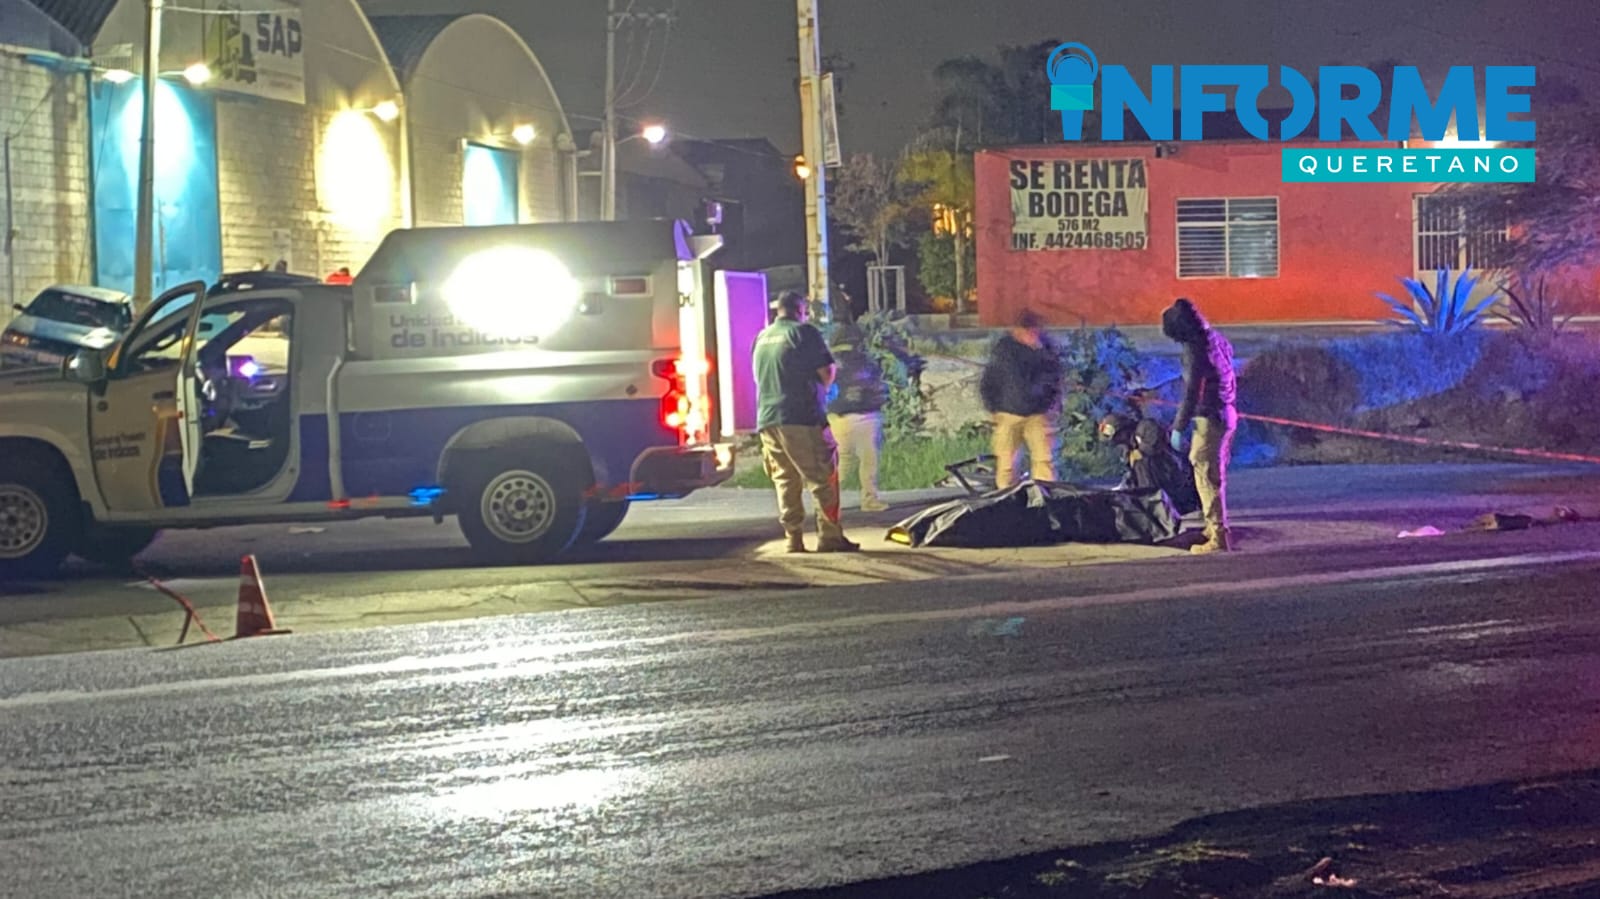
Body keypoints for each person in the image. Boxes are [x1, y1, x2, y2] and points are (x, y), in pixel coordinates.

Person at [752, 290, 860, 553]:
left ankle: (793, 539)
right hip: (801, 418)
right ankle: (830, 537)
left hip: (767, 419)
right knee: (823, 476)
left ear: (779, 310)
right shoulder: (804, 332)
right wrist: (824, 390)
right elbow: (827, 371)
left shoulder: (762, 337)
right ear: (801, 310)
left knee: (785, 479)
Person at [1162, 297, 1238, 553]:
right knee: (1215, 475)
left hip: (1209, 419)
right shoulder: (1216, 339)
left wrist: (1178, 426)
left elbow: (1193, 390)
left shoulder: (1195, 349)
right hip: (1227, 413)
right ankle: (1212, 526)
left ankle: (1218, 536)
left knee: (1206, 476)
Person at [979, 308, 1063, 489]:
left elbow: (1055, 377)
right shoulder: (1005, 351)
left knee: (1044, 461)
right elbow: (990, 380)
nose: (1032, 334)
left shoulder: (1045, 350)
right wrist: (992, 407)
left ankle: (1046, 497)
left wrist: (1053, 404)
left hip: (1038, 414)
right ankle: (1007, 498)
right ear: (1018, 330)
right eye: (1028, 330)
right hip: (1009, 413)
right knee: (1007, 463)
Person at [825, 323, 891, 512]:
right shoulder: (867, 361)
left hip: (838, 417)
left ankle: (826, 502)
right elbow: (878, 386)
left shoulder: (830, 361)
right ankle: (869, 499)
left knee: (841, 463)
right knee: (869, 462)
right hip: (867, 415)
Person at [1098, 411, 1201, 516]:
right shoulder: (1128, 450)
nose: (1118, 442)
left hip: (1174, 480)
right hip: (1157, 492)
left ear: (1123, 430)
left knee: (1142, 462)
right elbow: (1132, 474)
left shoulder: (1146, 426)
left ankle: (1153, 500)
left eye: (1117, 437)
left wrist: (1140, 452)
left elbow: (1155, 445)